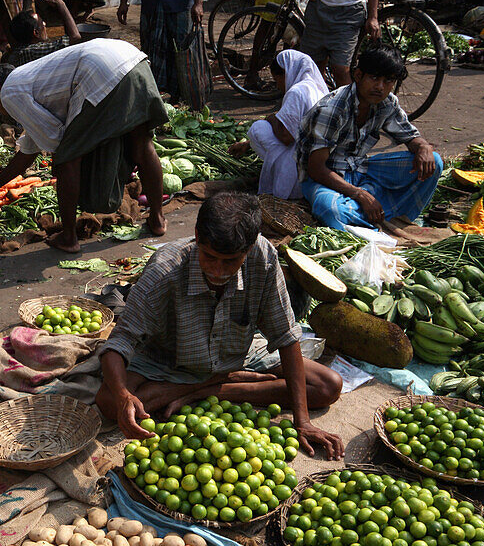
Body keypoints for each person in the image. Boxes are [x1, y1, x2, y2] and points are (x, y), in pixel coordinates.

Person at [95, 192, 344, 460]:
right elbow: (118, 344)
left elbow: (285, 335)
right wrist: (122, 395)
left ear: (248, 250)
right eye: (210, 257)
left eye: (230, 262)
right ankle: (214, 381)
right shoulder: (164, 271)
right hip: (167, 360)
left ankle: (208, 388)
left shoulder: (263, 257)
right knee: (110, 403)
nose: (218, 270)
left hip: (234, 353)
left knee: (328, 385)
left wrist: (302, 422)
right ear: (197, 237)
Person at [0, 40, 169, 253]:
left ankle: (68, 237)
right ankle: (157, 220)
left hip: (102, 74)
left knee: (67, 158)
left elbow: (54, 141)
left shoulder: (9, 92)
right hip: (132, 60)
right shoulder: (30, 79)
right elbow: (30, 147)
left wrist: (67, 158)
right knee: (142, 145)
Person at [298, 45, 442, 229]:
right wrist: (360, 194)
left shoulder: (387, 102)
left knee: (434, 161)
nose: (380, 87)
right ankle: (377, 215)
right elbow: (316, 169)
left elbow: (410, 136)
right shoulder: (333, 109)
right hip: (328, 176)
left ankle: (384, 217)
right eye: (374, 78)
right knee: (331, 210)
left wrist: (423, 147)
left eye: (388, 81)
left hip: (360, 168)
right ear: (358, 76)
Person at [229, 50, 329, 199]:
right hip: (320, 160)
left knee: (258, 128)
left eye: (277, 80)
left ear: (286, 73)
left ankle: (281, 176)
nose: (278, 86)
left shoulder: (297, 91)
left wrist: (270, 118)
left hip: (300, 168)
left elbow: (286, 137)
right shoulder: (316, 87)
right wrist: (247, 145)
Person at [117, 0, 206, 101]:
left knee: (180, 52)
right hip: (151, 3)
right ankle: (153, 97)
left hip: (178, 2)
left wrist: (198, 3)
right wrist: (123, 2)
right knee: (150, 51)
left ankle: (182, 97)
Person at [299, 0, 381, 87]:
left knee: (341, 70)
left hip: (350, 13)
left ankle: (347, 107)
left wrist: (373, 16)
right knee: (313, 67)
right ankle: (320, 105)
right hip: (319, 7)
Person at [2, 0, 82, 67]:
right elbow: (75, 37)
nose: (45, 24)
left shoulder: (17, 51)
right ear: (36, 33)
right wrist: (61, 5)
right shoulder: (31, 52)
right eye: (41, 23)